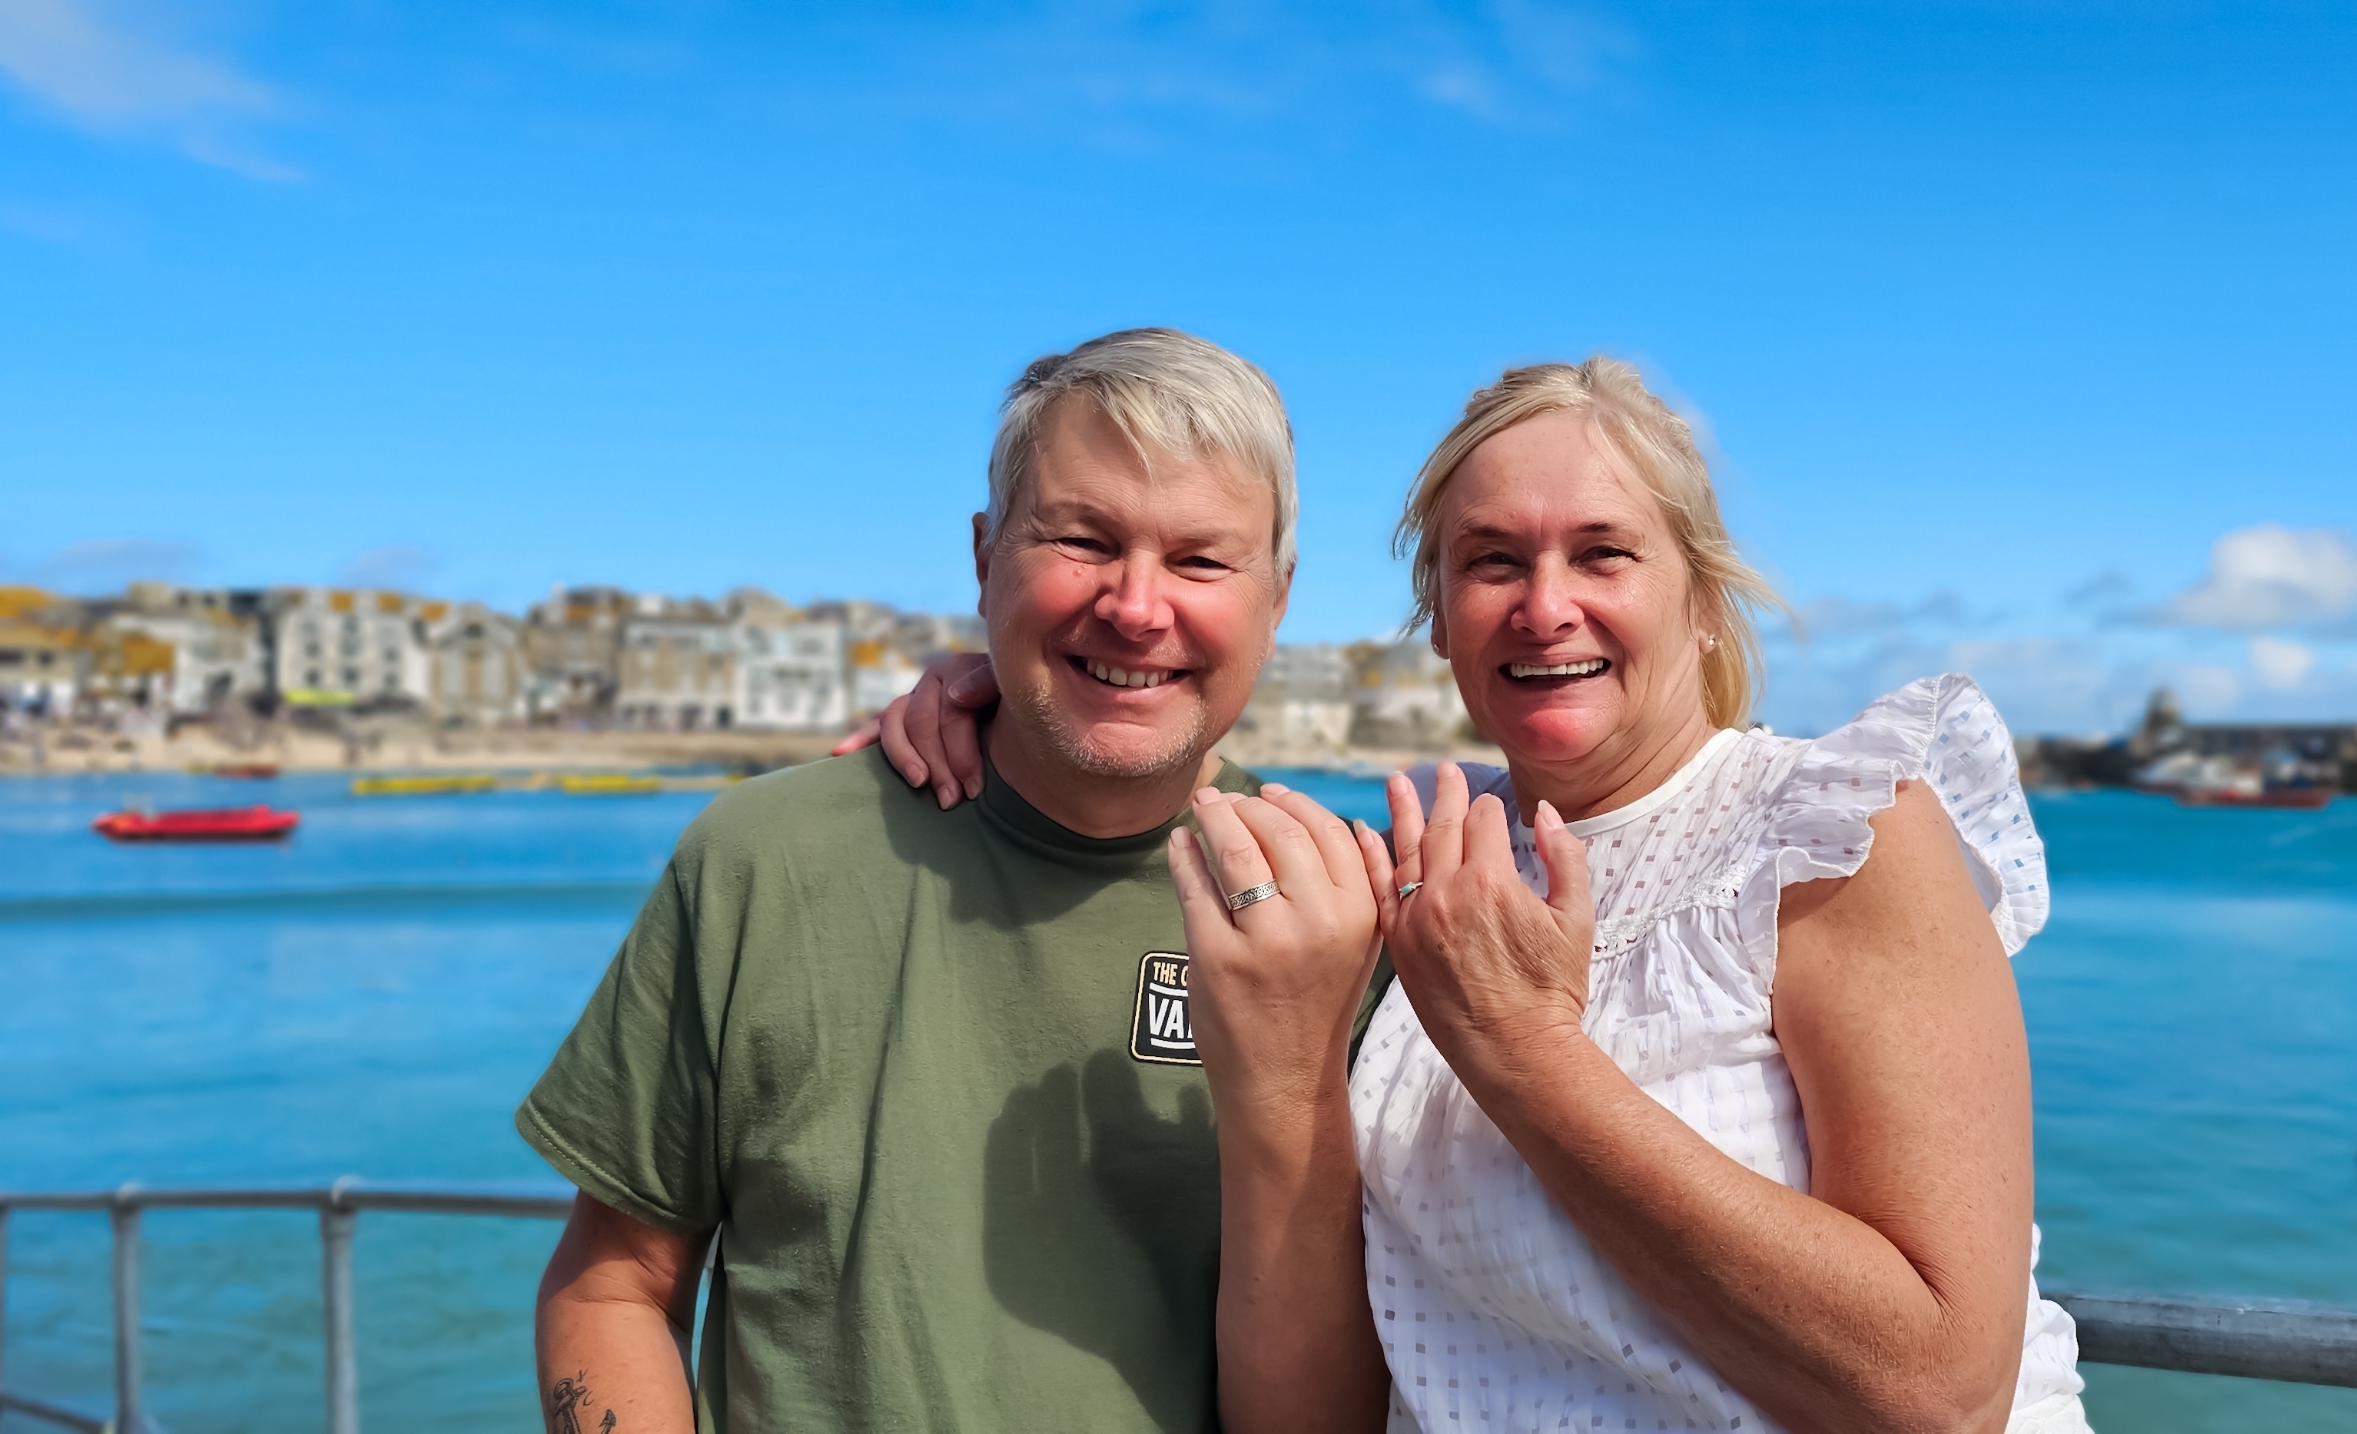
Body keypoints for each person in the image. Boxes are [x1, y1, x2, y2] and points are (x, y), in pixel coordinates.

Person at [867, 357, 2091, 1431]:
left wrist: (1525, 1051)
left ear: (1703, 601)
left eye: (1602, 553)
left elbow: (1938, 1393)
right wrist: (1009, 694)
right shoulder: (1414, 862)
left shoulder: (1834, 833)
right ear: (1442, 620)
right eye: (1491, 561)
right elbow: (1154, 786)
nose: (1544, 604)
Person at [521, 327, 1384, 1434]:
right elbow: (612, 1287)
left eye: (1201, 560)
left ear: (1278, 598)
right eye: (1081, 538)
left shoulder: (1342, 919)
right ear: (985, 556)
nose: (1134, 604)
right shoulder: (762, 859)